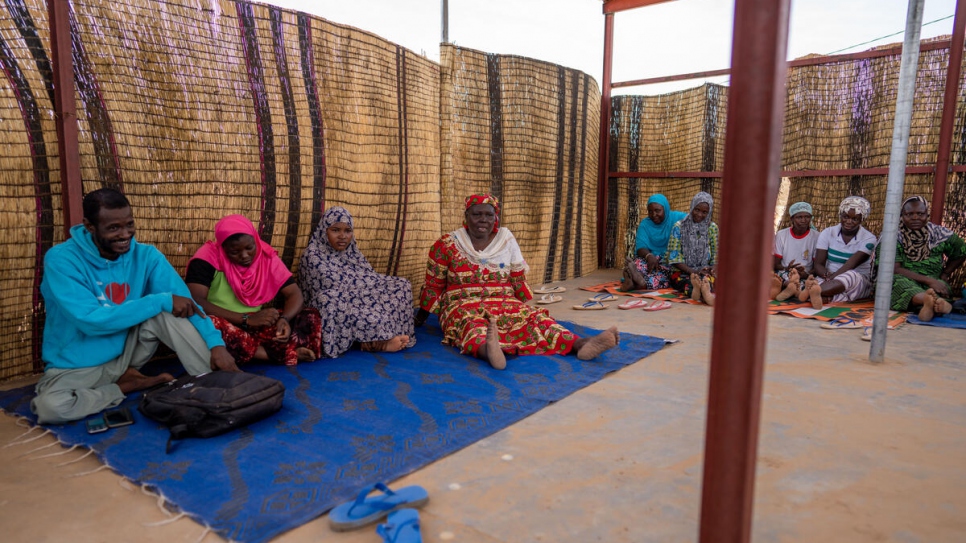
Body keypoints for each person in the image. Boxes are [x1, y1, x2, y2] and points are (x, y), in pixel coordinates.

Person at [31, 189, 238, 424]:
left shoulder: (147, 256)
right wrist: (159, 299)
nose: (125, 234)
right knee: (51, 408)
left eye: (129, 224)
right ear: (89, 226)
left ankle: (214, 386)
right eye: (113, 228)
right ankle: (123, 387)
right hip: (77, 366)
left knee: (173, 309)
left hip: (126, 353)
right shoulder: (62, 259)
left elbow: (186, 303)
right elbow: (90, 321)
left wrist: (216, 345)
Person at [414, 194, 619, 370]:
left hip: (504, 300)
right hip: (462, 303)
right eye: (477, 214)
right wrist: (420, 318)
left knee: (539, 321)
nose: (483, 220)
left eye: (488, 215)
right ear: (466, 217)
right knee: (471, 325)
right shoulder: (446, 244)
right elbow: (433, 285)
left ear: (496, 217)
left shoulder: (506, 240)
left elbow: (517, 279)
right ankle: (490, 351)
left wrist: (526, 310)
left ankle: (582, 344)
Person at [186, 215, 321, 366]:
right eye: (234, 251)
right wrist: (246, 320)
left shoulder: (265, 255)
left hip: (254, 323)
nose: (244, 256)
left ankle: (264, 349)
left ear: (255, 240)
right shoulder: (206, 258)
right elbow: (195, 300)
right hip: (224, 321)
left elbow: (294, 294)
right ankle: (277, 354)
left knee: (310, 314)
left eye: (249, 248)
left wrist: (284, 319)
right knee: (209, 324)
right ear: (223, 247)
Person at [297, 206, 414, 357]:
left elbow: (370, 278)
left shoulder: (353, 253)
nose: (342, 236)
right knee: (332, 298)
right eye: (335, 230)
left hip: (358, 301)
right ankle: (374, 342)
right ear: (324, 231)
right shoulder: (312, 255)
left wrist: (367, 289)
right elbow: (332, 284)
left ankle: (376, 338)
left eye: (347, 231)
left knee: (401, 285)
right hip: (333, 306)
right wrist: (364, 287)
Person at [879, 195, 965, 321]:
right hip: (904, 279)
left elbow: (962, 251)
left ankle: (930, 304)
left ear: (927, 214)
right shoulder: (892, 236)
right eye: (909, 214)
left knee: (941, 287)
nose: (915, 218)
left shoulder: (939, 234)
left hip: (935, 283)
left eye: (920, 213)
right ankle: (930, 301)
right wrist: (929, 281)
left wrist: (945, 273)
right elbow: (893, 269)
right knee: (891, 281)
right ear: (902, 216)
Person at [805, 196, 877, 309]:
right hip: (830, 278)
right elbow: (818, 264)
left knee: (850, 276)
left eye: (855, 219)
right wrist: (826, 275)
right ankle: (823, 297)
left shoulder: (869, 239)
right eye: (845, 217)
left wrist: (831, 279)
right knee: (820, 283)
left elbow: (850, 265)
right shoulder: (828, 233)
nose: (849, 221)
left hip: (857, 280)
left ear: (861, 220)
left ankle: (809, 292)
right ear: (840, 215)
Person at [621, 194, 688, 292]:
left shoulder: (676, 218)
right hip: (650, 258)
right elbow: (641, 247)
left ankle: (636, 282)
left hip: (668, 260)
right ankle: (637, 279)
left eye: (657, 211)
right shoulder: (645, 224)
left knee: (665, 276)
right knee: (638, 264)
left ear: (665, 208)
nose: (653, 215)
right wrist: (649, 256)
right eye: (650, 211)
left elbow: (693, 219)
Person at [667, 191, 718, 306]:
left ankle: (704, 291)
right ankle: (695, 291)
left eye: (704, 212)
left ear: (709, 212)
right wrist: (694, 271)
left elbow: (716, 254)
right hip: (684, 271)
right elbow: (674, 258)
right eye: (697, 210)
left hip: (705, 270)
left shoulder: (712, 228)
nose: (700, 215)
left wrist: (712, 268)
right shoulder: (679, 227)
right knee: (684, 280)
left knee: (710, 278)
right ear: (692, 207)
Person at [770, 201, 819, 301]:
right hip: (785, 271)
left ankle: (791, 289)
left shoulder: (817, 236)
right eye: (799, 217)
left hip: (805, 273)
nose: (803, 220)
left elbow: (817, 265)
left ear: (811, 218)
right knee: (781, 277)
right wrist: (787, 268)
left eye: (807, 217)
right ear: (792, 218)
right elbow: (776, 264)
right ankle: (793, 288)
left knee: (810, 281)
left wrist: (807, 273)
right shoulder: (782, 235)